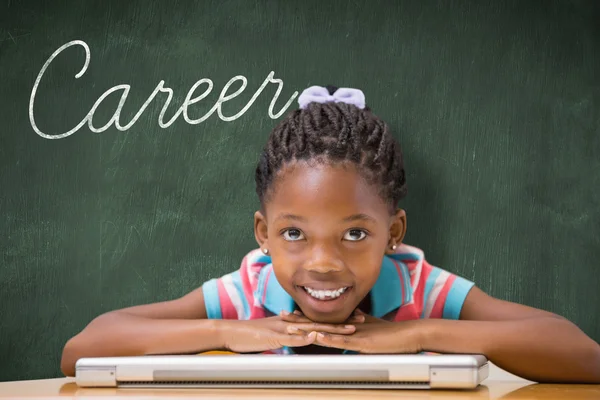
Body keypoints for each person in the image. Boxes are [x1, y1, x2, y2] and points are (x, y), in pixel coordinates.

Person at [60, 85, 600, 383]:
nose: (322, 263)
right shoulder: (248, 294)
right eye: (294, 233)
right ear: (263, 235)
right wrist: (224, 332)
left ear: (395, 232)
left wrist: (419, 334)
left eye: (355, 235)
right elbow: (83, 348)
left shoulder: (420, 290)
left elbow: (581, 355)